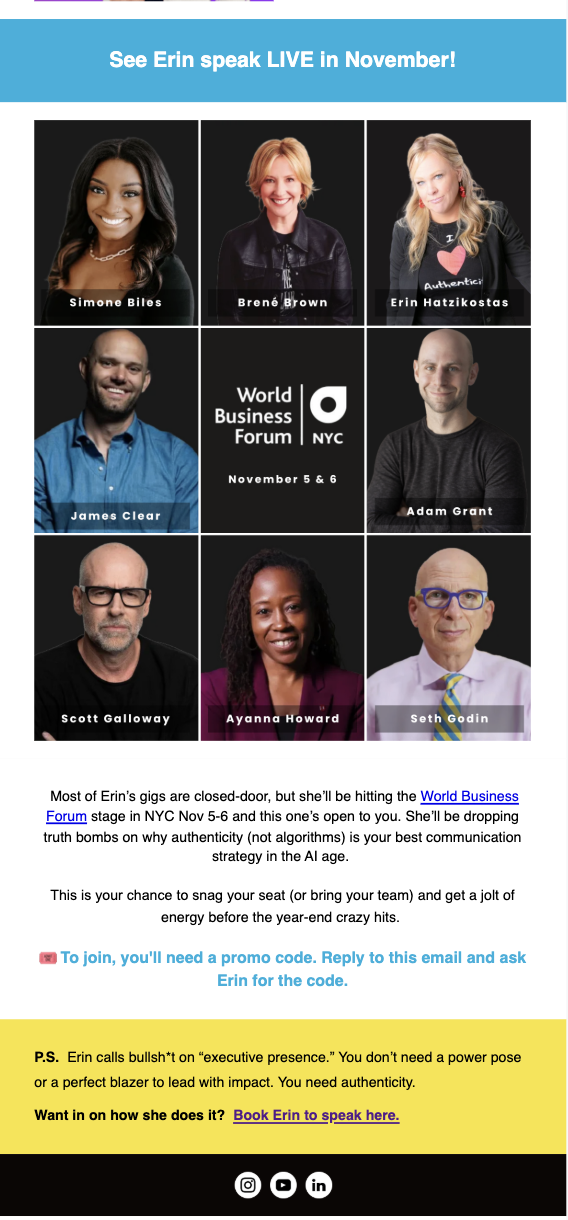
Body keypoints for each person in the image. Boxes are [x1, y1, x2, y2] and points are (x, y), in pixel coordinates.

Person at [34, 330, 198, 533]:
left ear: (145, 381)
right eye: (108, 363)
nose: (120, 377)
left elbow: (188, 543)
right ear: (85, 368)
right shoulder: (40, 456)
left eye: (133, 368)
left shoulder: (178, 459)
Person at [367, 329, 527, 533]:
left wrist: (407, 526)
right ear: (416, 371)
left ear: (472, 374)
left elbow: (503, 539)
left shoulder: (499, 449)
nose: (439, 380)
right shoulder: (396, 445)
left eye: (452, 368)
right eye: (430, 367)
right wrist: (463, 523)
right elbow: (371, 526)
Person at [35, 542, 198, 741]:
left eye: (131, 594)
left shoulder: (187, 677)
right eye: (101, 592)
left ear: (146, 604)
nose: (116, 609)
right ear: (78, 600)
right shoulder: (35, 679)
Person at [367, 547, 530, 741]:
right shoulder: (374, 694)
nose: (453, 612)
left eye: (469, 596)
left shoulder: (527, 688)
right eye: (437, 595)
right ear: (414, 611)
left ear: (487, 615)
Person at [202, 548, 363, 740]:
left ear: (313, 612)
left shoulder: (353, 690)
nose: (280, 624)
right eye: (263, 611)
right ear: (248, 621)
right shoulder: (212, 690)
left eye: (292, 607)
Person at [41, 137, 194, 326]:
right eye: (98, 190)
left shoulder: (166, 275)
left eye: (130, 194)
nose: (111, 207)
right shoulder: (69, 253)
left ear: (151, 199)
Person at [386, 133, 531, 325]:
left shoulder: (495, 218)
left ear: (458, 172)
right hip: (426, 339)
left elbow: (530, 273)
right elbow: (396, 301)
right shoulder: (404, 230)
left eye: (438, 176)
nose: (431, 190)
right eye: (421, 182)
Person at [216, 137, 352, 326]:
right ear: (259, 185)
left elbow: (341, 319)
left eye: (290, 179)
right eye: (269, 180)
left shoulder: (332, 242)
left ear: (302, 186)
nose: (280, 191)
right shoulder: (235, 243)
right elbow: (230, 320)